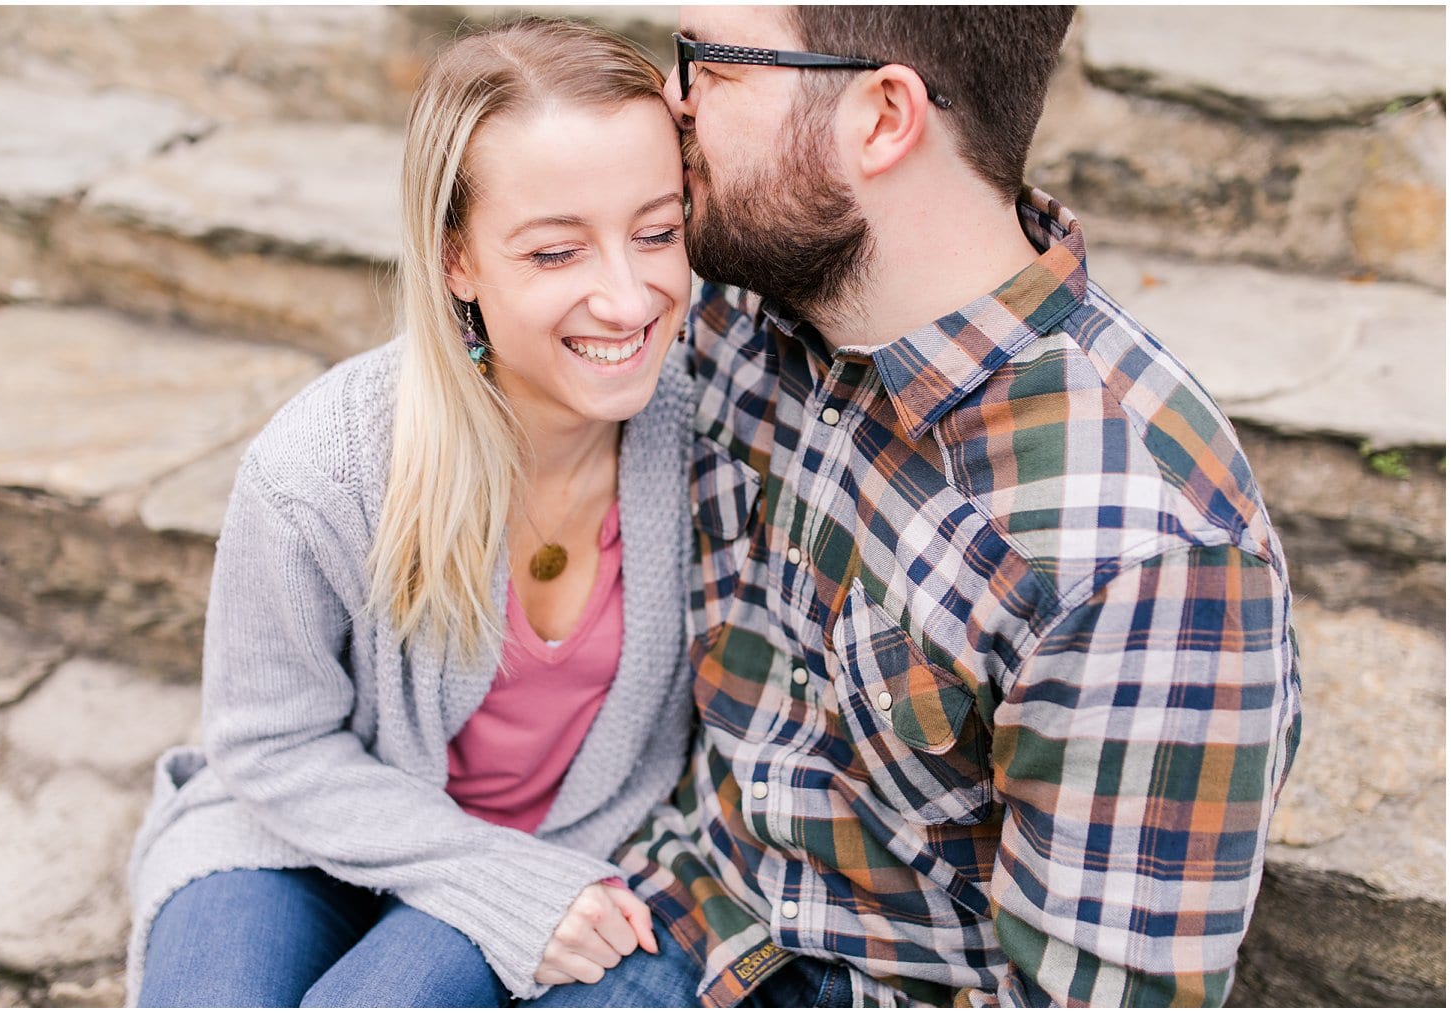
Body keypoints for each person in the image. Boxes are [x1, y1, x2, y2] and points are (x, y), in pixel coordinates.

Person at [613, 6, 1304, 1007]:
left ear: (882, 118)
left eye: (710, 66)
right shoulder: (744, 287)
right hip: (666, 889)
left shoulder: (1142, 554)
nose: (671, 100)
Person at [126, 17, 702, 1007]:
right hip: (301, 831)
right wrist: (484, 870)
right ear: (456, 262)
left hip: (569, 851)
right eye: (557, 252)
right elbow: (268, 743)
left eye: (657, 232)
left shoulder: (717, 430)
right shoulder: (322, 465)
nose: (626, 296)